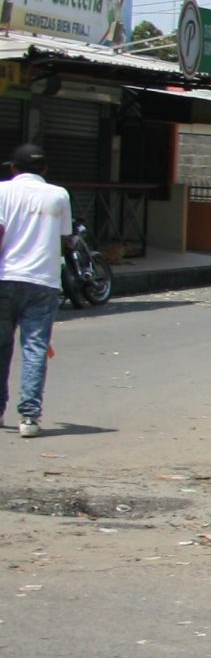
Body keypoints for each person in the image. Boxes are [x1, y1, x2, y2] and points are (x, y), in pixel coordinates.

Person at [0, 144, 73, 438]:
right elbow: (65, 236)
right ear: (44, 170)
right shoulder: (59, 195)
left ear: (13, 169)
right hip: (44, 282)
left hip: (5, 278)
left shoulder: (2, 191)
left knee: (1, 347)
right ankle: (29, 418)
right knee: (35, 349)